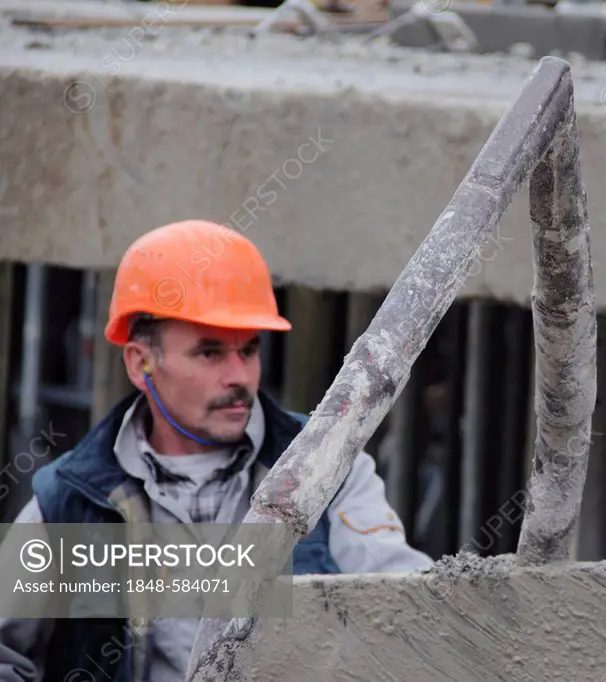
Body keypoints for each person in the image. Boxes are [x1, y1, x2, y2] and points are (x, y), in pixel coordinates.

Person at [0, 219, 433, 682]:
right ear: (139, 362)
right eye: (210, 353)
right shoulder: (70, 500)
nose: (239, 377)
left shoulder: (327, 469)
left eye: (248, 350)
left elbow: (410, 613)